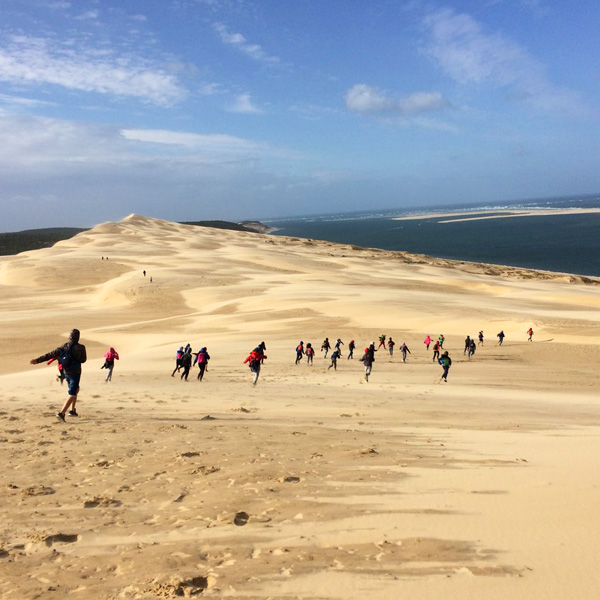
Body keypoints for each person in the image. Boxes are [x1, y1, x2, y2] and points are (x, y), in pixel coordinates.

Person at [30, 329, 87, 421]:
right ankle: (61, 413)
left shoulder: (63, 346)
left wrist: (37, 360)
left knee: (75, 389)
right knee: (72, 393)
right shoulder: (80, 347)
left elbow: (50, 355)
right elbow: (83, 360)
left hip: (66, 372)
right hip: (75, 373)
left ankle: (72, 410)